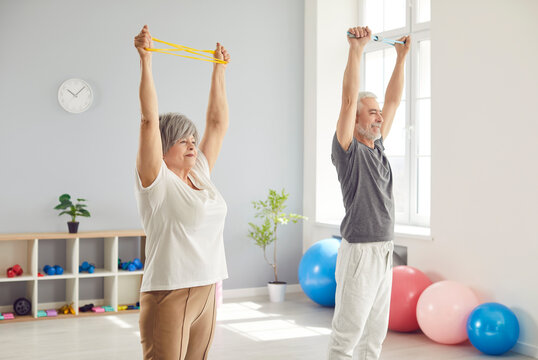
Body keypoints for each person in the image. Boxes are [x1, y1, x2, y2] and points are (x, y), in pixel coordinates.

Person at [133, 24, 231, 360]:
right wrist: (146, 61)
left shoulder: (200, 172)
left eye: (192, 139)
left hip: (208, 288)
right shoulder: (156, 180)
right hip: (168, 292)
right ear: (162, 147)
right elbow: (148, 120)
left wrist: (218, 70)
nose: (192, 145)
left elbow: (217, 123)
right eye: (181, 140)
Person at [327, 26, 410, 360]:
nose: (380, 116)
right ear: (357, 119)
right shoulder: (349, 150)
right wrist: (356, 50)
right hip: (359, 253)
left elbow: (393, 100)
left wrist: (401, 58)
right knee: (347, 336)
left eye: (378, 112)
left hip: (384, 250)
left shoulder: (377, 146)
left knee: (374, 336)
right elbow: (348, 100)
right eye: (372, 112)